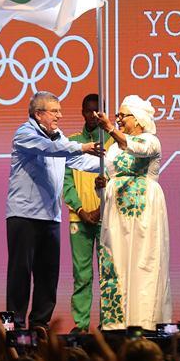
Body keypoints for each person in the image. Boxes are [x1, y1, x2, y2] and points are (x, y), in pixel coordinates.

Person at [5, 91, 104, 330]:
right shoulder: (25, 134)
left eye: (59, 110)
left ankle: (40, 324)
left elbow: (78, 161)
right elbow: (49, 149)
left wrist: (113, 162)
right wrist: (83, 146)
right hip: (24, 215)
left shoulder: (58, 137)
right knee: (20, 273)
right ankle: (13, 327)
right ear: (39, 114)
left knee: (48, 275)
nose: (60, 115)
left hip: (50, 217)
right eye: (54, 111)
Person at [95, 96, 171, 330]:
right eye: (116, 117)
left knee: (142, 262)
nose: (117, 119)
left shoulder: (150, 141)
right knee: (116, 261)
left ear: (138, 120)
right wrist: (101, 187)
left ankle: (144, 322)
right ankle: (117, 322)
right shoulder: (113, 149)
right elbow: (111, 178)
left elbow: (136, 148)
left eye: (122, 116)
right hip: (116, 214)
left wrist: (109, 128)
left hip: (143, 211)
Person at [62, 93, 111, 333]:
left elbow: (117, 179)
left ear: (103, 112)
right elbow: (65, 181)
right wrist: (80, 210)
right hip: (78, 219)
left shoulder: (112, 142)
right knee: (81, 275)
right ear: (82, 112)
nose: (91, 115)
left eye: (96, 111)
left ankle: (107, 322)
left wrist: (101, 209)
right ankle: (81, 324)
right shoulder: (72, 143)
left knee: (107, 273)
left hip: (107, 217)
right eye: (87, 111)